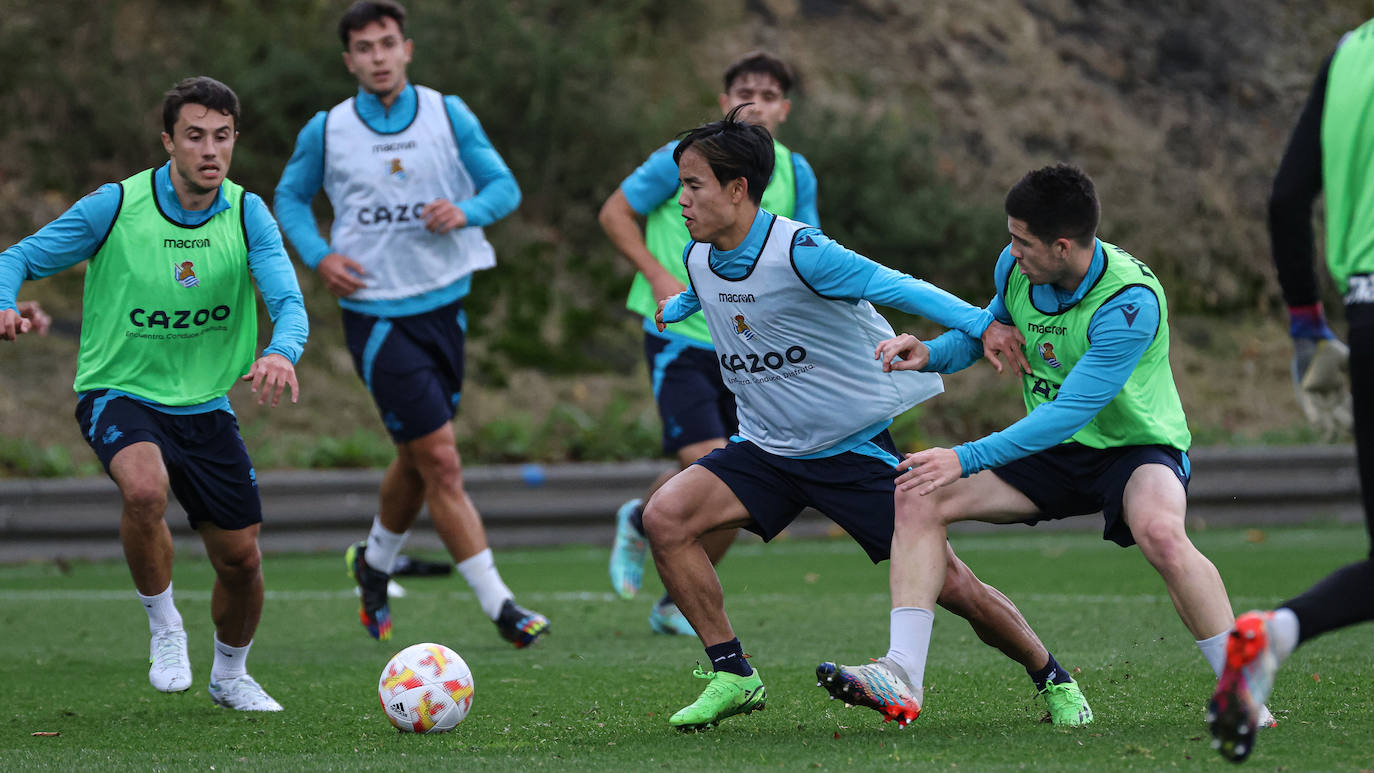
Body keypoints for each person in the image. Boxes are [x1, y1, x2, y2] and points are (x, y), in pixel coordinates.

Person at [645, 107, 1093, 731]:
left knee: (954, 586)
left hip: (847, 451)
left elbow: (902, 288)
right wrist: (681, 302)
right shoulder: (699, 255)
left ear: (737, 189)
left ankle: (1053, 677)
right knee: (664, 517)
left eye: (693, 186)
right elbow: (716, 290)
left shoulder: (803, 252)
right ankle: (733, 674)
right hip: (766, 452)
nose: (682, 200)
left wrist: (981, 323)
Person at [819, 163, 1275, 730]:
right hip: (1053, 452)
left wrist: (963, 456)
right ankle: (902, 674)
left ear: (1062, 247)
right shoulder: (1016, 269)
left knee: (1160, 532)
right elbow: (993, 334)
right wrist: (932, 354)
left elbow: (1071, 411)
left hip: (1135, 450)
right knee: (917, 493)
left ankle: (1244, 692)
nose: (1011, 251)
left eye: (1022, 240)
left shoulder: (1130, 303)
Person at [0, 76, 308, 711]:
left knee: (242, 563)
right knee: (144, 489)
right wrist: (4, 302)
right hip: (118, 391)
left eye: (221, 137)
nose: (209, 150)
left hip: (205, 404)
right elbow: (16, 259)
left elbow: (288, 303)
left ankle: (230, 673)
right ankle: (166, 626)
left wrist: (281, 350)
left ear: (234, 141)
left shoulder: (249, 214)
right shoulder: (115, 206)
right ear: (168, 141)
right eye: (194, 136)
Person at [273, 0, 548, 647]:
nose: (377, 57)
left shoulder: (447, 113)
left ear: (407, 49)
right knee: (442, 460)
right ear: (349, 60)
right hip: (376, 315)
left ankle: (373, 564)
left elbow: (504, 187)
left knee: (416, 456)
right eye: (363, 48)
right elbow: (288, 195)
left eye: (387, 43)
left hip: (444, 306)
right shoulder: (328, 128)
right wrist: (318, 255)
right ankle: (502, 606)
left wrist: (466, 209)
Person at [600, 51, 819, 635]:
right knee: (710, 467)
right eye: (745, 92)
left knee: (739, 481)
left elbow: (809, 251)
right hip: (680, 335)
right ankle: (655, 530)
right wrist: (655, 272)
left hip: (751, 346)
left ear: (786, 109)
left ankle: (671, 591)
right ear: (724, 102)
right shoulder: (680, 161)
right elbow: (615, 212)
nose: (758, 104)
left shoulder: (795, 173)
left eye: (770, 96)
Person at [1208, 20, 1374, 763]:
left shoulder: (1349, 54)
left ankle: (1272, 636)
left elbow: (1285, 200)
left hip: (1363, 314)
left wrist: (1307, 323)